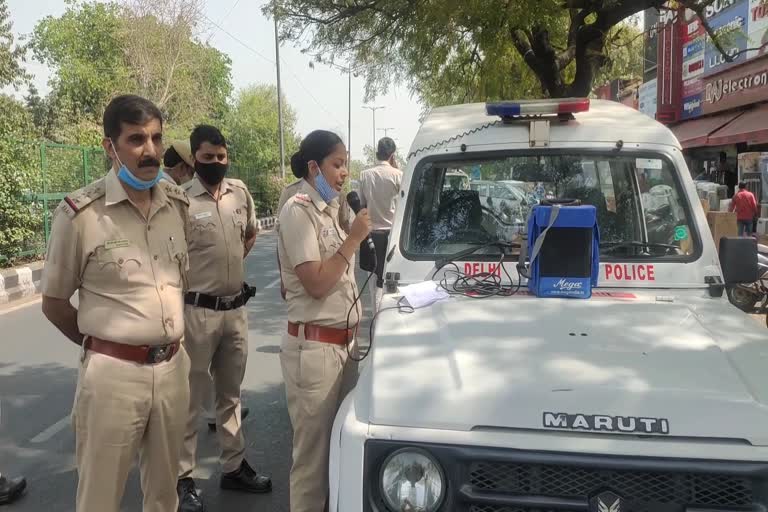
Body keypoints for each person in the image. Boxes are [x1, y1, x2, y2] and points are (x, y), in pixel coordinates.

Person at [41, 95, 191, 512]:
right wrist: (107, 346)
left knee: (164, 495)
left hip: (174, 369)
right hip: (112, 379)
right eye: (137, 139)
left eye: (157, 139)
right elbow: (54, 303)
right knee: (100, 498)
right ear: (110, 146)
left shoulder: (175, 205)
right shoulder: (81, 214)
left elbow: (181, 282)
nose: (151, 151)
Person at [177, 125, 271, 512]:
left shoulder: (240, 192)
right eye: (207, 157)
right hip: (196, 313)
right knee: (190, 401)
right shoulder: (180, 201)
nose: (216, 163)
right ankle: (184, 479)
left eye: (221, 156)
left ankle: (233, 466)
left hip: (235, 312)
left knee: (230, 396)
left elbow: (249, 234)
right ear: (194, 159)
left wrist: (230, 263)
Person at [278, 130, 371, 512]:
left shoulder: (330, 209)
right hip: (314, 350)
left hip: (343, 345)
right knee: (312, 463)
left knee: (341, 450)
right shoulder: (298, 209)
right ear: (314, 166)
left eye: (346, 163)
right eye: (337, 164)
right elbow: (315, 282)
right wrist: (352, 240)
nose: (344, 172)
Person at [358, 137, 402, 308]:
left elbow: (361, 205)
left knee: (373, 283)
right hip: (392, 237)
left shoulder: (365, 175)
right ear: (392, 155)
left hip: (370, 235)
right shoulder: (398, 175)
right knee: (391, 280)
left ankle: (376, 321)